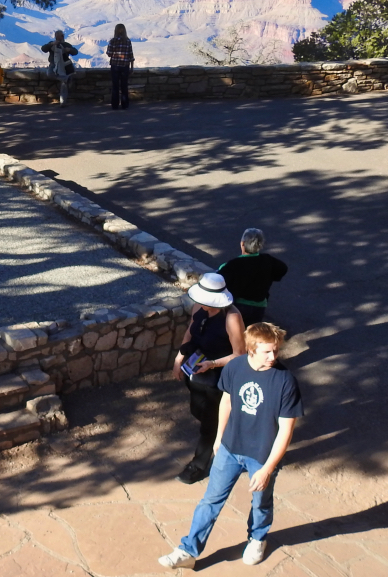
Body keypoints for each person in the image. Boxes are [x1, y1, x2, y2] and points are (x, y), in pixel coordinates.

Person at [159, 322, 303, 569]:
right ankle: (188, 551)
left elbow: (286, 430)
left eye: (275, 351)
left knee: (261, 502)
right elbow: (226, 402)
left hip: (262, 454)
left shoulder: (285, 381)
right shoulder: (235, 367)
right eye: (267, 351)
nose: (273, 356)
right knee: (210, 501)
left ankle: (257, 538)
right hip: (230, 448)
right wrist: (218, 439)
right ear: (251, 349)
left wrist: (267, 468)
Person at [172, 272, 246, 485]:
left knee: (209, 423)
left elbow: (239, 354)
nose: (204, 305)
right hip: (196, 370)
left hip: (218, 375)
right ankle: (229, 429)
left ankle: (198, 465)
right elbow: (190, 333)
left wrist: (213, 364)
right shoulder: (199, 307)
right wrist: (178, 359)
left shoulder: (232, 317)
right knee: (198, 411)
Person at [218, 228, 289, 326]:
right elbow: (283, 268)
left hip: (237, 307)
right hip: (259, 307)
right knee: (252, 334)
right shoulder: (268, 260)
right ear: (260, 245)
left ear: (242, 243)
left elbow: (219, 282)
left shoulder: (232, 265)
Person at [41, 30, 79, 107]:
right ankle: (65, 78)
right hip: (54, 64)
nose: (61, 37)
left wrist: (69, 50)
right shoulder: (52, 44)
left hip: (64, 66)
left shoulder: (66, 45)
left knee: (63, 85)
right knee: (50, 73)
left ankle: (63, 102)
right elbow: (43, 48)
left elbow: (75, 52)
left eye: (62, 35)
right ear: (56, 36)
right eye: (60, 35)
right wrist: (51, 44)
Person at [106, 23, 134, 109]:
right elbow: (131, 55)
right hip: (125, 66)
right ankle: (125, 105)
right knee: (124, 86)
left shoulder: (113, 41)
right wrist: (132, 68)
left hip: (115, 66)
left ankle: (115, 105)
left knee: (115, 86)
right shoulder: (128, 41)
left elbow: (109, 54)